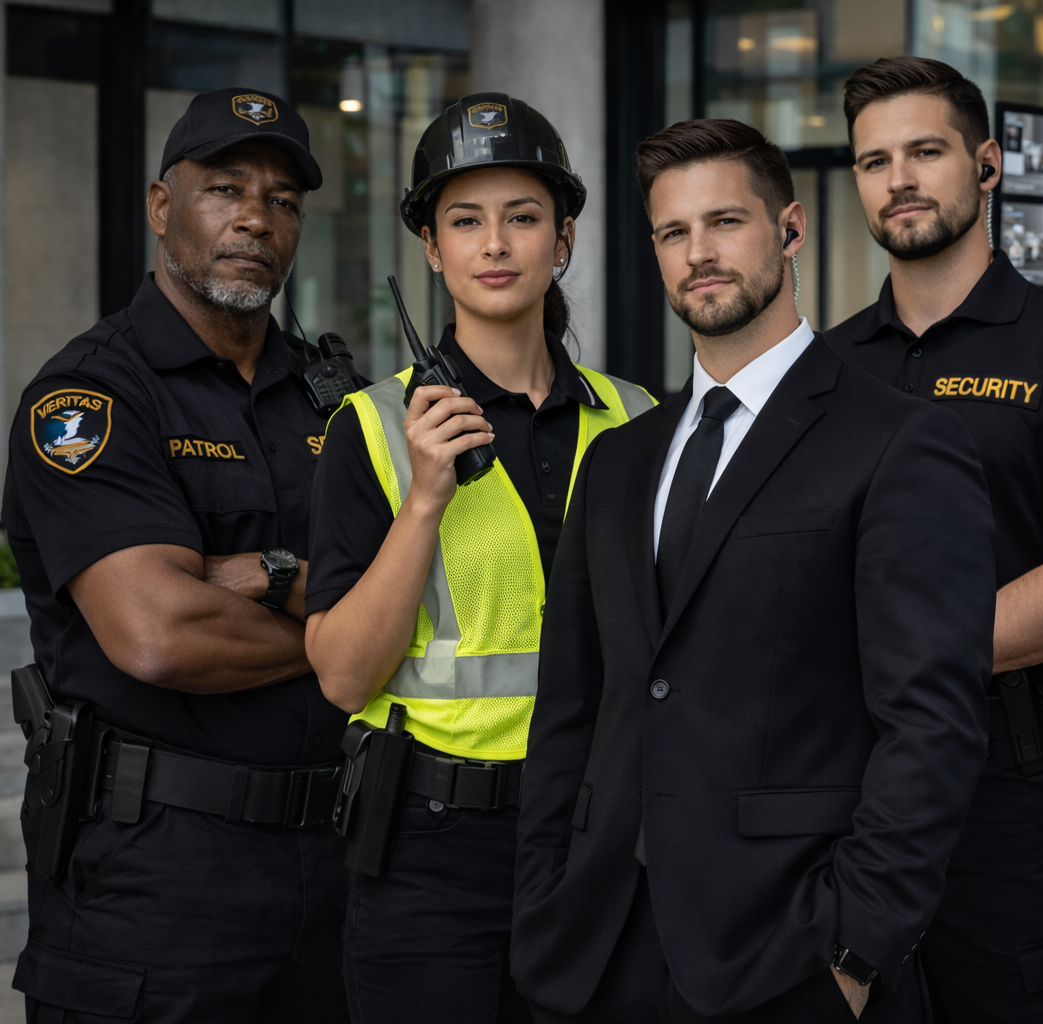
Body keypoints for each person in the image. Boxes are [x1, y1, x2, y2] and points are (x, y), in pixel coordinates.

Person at [512, 118, 996, 1023]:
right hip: (596, 950)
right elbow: (573, 706)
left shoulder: (897, 442)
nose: (699, 253)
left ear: (790, 227)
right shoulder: (618, 459)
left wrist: (856, 949)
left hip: (792, 951)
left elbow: (933, 724)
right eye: (672, 233)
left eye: (725, 222)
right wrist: (544, 894)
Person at [302, 93, 654, 1023]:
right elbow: (341, 675)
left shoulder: (638, 420)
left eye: (523, 217)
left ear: (563, 238)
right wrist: (424, 500)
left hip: (596, 834)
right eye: (465, 220)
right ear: (432, 248)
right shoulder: (373, 428)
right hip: (430, 853)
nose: (495, 243)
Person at [2, 89, 351, 1021]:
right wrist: (348, 621)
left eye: (281, 199)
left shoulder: (337, 402)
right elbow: (161, 634)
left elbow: (423, 585)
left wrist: (254, 578)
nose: (254, 217)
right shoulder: (87, 398)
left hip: (340, 871)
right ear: (163, 208)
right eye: (224, 188)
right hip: (154, 880)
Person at [822, 56, 1043, 1021]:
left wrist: (882, 661)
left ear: (989, 164)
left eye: (926, 151)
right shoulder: (826, 368)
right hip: (846, 791)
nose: (900, 180)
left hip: (1012, 799)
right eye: (875, 161)